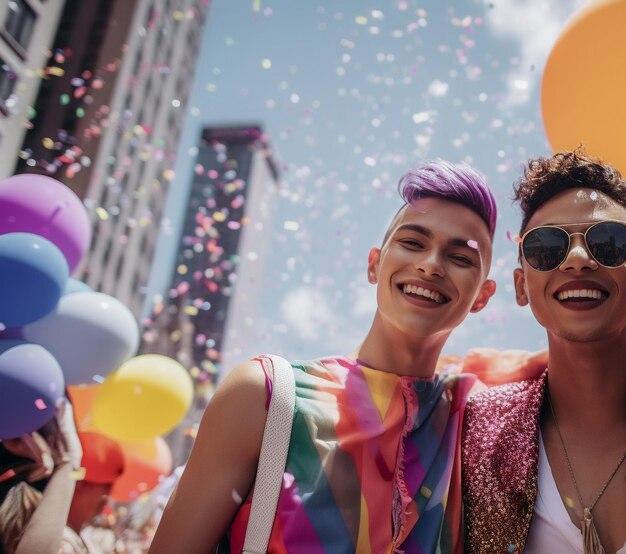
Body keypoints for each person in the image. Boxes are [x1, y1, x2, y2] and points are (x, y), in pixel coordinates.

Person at [149, 159, 501, 554]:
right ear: (375, 264)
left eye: (460, 257)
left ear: (482, 296)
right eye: (413, 242)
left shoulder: (475, 417)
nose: (430, 265)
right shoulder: (265, 396)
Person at [462, 149, 626, 554]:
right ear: (521, 286)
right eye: (546, 246)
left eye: (610, 241)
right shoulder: (473, 431)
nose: (577, 259)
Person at [0, 406, 125, 554]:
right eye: (106, 487)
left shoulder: (63, 534)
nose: (107, 498)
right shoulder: (50, 537)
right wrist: (69, 466)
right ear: (80, 484)